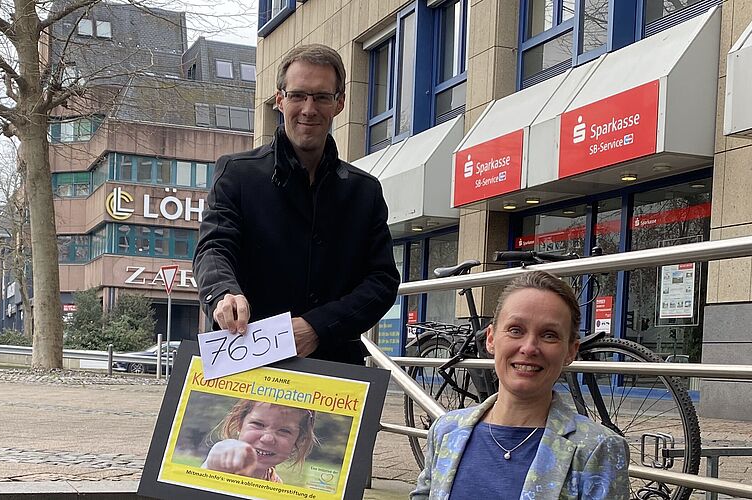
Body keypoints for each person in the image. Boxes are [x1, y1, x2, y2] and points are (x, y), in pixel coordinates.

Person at [194, 43, 400, 365]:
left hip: (335, 369)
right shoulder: (236, 174)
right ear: (280, 99)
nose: (308, 108)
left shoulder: (365, 191)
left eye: (322, 97)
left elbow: (382, 281)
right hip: (248, 360)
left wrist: (318, 327)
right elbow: (214, 247)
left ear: (339, 103)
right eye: (298, 95)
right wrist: (223, 292)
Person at [410, 271, 628, 499]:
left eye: (549, 335)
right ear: (491, 339)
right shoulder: (445, 430)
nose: (529, 347)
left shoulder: (597, 448)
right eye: (515, 330)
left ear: (571, 351)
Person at [201, 400, 318, 483]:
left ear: (298, 440)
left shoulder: (275, 483)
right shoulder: (223, 468)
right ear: (239, 424)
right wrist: (213, 464)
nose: (267, 439)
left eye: (284, 431)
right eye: (258, 424)